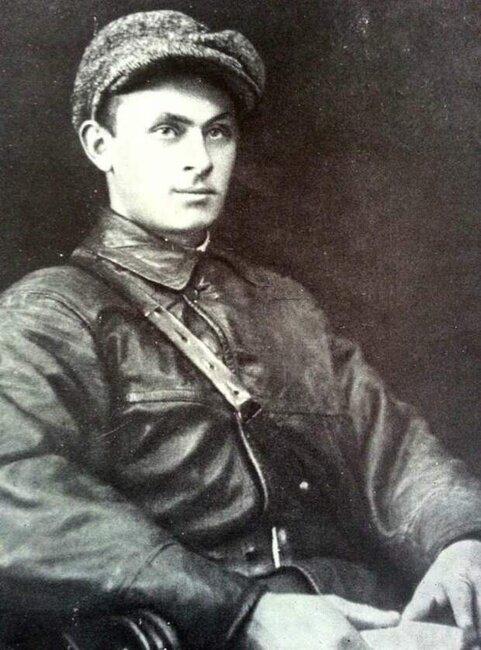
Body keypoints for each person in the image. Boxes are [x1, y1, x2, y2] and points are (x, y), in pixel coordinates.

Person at [1, 9, 481, 650]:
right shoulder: (49, 314)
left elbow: (388, 449)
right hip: (204, 632)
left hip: (372, 618)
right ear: (100, 146)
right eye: (168, 131)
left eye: (218, 132)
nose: (200, 160)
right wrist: (243, 610)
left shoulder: (281, 305)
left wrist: (460, 540)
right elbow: (13, 493)